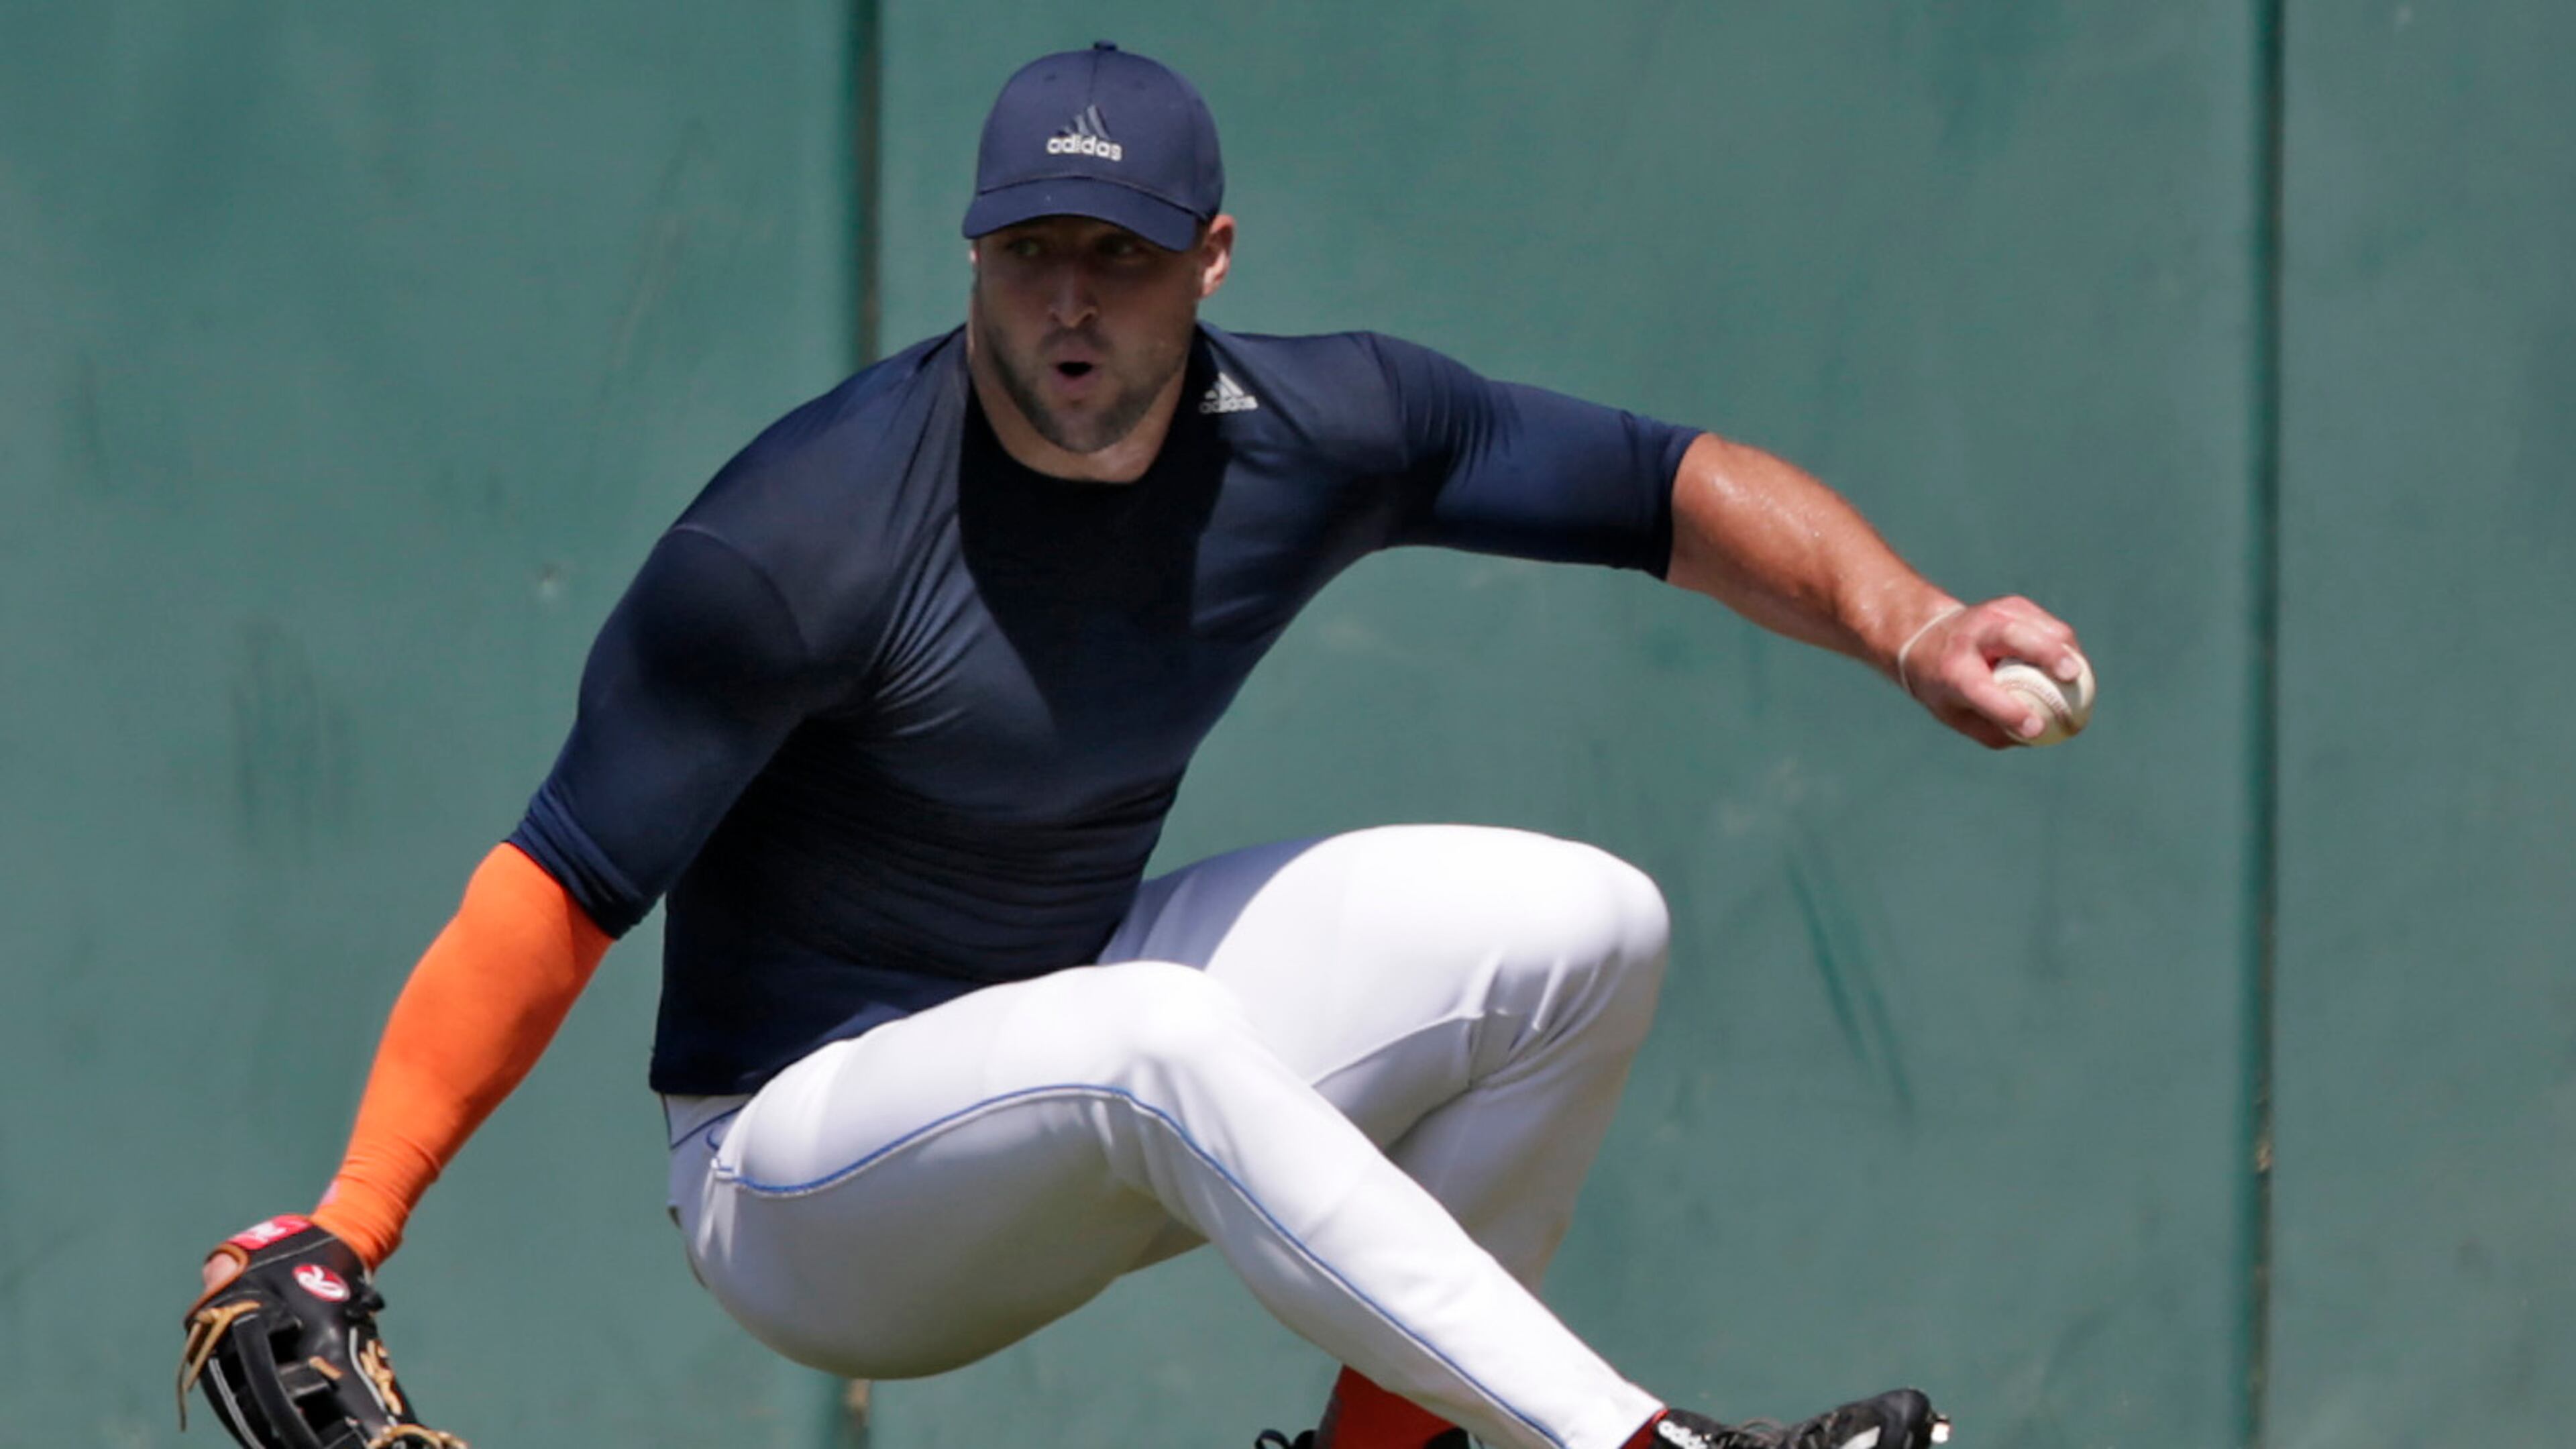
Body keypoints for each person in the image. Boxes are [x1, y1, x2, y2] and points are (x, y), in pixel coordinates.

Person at [189, 42, 2082, 1449]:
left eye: (1119, 250)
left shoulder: (1314, 431)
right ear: (974, 253)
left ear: (1213, 258)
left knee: (1587, 928)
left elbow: (1664, 483)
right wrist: (349, 1227)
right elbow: (558, 887)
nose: (1071, 297)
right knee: (1153, 1040)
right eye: (1031, 250)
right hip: (807, 1180)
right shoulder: (805, 537)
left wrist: (1910, 623)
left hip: (1065, 1028)